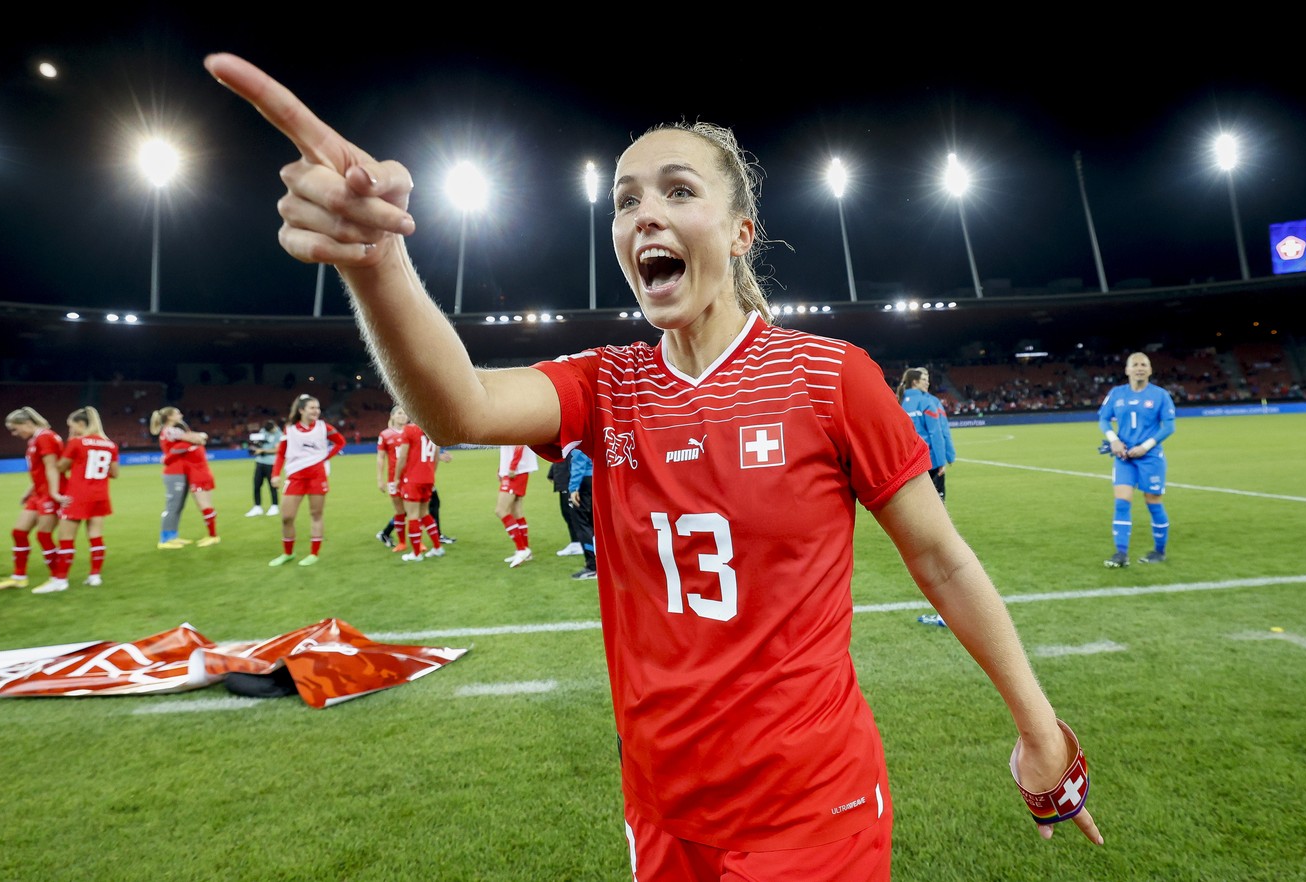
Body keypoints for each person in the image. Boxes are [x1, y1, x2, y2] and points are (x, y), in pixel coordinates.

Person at [207, 53, 1101, 877]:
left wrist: (1038, 730)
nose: (646, 216)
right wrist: (376, 260)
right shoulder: (607, 383)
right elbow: (458, 407)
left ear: (742, 230)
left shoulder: (830, 378)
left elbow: (942, 559)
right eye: (626, 201)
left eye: (677, 191)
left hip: (812, 810)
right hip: (662, 806)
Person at [1098, 351, 1175, 567]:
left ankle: (1159, 552)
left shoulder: (1160, 395)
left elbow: (1169, 426)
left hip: (1150, 458)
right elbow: (1103, 419)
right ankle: (1121, 554)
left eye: (1144, 364)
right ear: (1127, 370)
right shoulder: (1116, 394)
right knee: (1122, 502)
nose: (1140, 368)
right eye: (1135, 364)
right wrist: (1114, 440)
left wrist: (1145, 446)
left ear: (1150, 370)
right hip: (1124, 458)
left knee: (1153, 502)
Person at [33, 407, 119, 594]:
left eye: (72, 427)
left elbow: (61, 467)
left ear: (81, 424)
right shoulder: (110, 444)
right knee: (96, 536)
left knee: (66, 539)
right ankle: (95, 576)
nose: (71, 431)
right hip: (101, 495)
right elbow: (115, 473)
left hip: (78, 495)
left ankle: (60, 581)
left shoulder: (77, 443)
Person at [0, 407, 67, 591]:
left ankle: (57, 579)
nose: (15, 434)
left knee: (44, 535)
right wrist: (29, 490)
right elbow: (40, 470)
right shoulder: (36, 439)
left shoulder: (45, 437)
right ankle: (19, 577)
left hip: (49, 493)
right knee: (19, 533)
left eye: (15, 429)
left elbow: (52, 467)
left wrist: (53, 493)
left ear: (27, 423)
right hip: (38, 493)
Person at [269, 393, 346, 567]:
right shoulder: (289, 429)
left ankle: (314, 553)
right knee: (287, 517)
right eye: (312, 408)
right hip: (295, 476)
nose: (316, 411)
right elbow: (281, 453)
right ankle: (288, 553)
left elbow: (340, 442)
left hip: (317, 476)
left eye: (318, 408)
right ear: (302, 410)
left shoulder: (323, 427)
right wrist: (275, 474)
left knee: (316, 514)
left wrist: (325, 457)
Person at [391, 408, 447, 562]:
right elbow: (436, 458)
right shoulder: (434, 432)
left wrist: (396, 478)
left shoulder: (410, 430)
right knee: (425, 513)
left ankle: (416, 554)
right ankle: (437, 548)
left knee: (413, 516)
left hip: (413, 479)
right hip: (428, 478)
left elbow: (402, 457)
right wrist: (430, 474)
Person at [899, 367, 957, 504]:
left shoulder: (898, 401)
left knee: (913, 505)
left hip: (906, 463)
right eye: (924, 379)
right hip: (928, 460)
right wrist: (944, 459)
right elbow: (938, 432)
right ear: (915, 382)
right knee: (936, 505)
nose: (927, 383)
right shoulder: (928, 402)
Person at [149, 406, 200, 549]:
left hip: (178, 471)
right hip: (174, 472)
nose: (181, 414)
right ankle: (164, 540)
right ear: (170, 417)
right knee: (172, 506)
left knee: (177, 506)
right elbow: (193, 438)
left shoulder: (171, 431)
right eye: (177, 413)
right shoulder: (170, 431)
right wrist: (197, 437)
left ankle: (172, 536)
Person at [496, 443, 538, 567]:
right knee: (516, 511)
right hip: (515, 469)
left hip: (516, 470)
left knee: (500, 510)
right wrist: (501, 468)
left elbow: (520, 443)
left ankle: (521, 549)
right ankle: (526, 550)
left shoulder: (514, 424)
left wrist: (512, 466)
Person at [374, 404, 410, 551]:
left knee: (412, 510)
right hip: (393, 479)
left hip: (411, 478)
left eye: (405, 413)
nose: (403, 416)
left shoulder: (412, 432)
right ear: (393, 416)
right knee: (401, 511)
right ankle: (399, 540)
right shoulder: (385, 435)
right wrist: (380, 479)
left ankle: (386, 533)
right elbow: (381, 458)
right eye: (400, 413)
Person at [564, 447, 596, 580]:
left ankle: (592, 566)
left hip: (584, 483)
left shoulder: (579, 439)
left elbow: (579, 459)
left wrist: (573, 487)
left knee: (582, 524)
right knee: (593, 524)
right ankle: (598, 564)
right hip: (595, 478)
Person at [547, 456, 583, 557]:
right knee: (566, 512)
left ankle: (581, 543)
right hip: (562, 478)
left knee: (573, 513)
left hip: (569, 479)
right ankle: (575, 542)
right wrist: (552, 472)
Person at [246, 420, 283, 517]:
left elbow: (277, 450)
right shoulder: (263, 431)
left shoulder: (279, 435)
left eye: (271, 430)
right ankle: (257, 507)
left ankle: (274, 506)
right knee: (256, 485)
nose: (270, 432)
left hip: (271, 463)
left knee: (272, 486)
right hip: (260, 462)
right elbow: (258, 443)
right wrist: (256, 445)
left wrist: (262, 450)